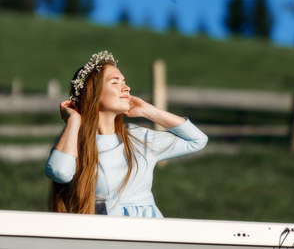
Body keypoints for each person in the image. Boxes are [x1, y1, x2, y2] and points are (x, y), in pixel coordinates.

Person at [45, 50, 209, 218]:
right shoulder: (73, 142)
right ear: (92, 92)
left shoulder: (138, 137)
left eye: (124, 81)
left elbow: (197, 140)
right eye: (115, 82)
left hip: (150, 233)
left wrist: (148, 111)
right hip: (107, 235)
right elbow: (59, 172)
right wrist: (73, 121)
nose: (126, 87)